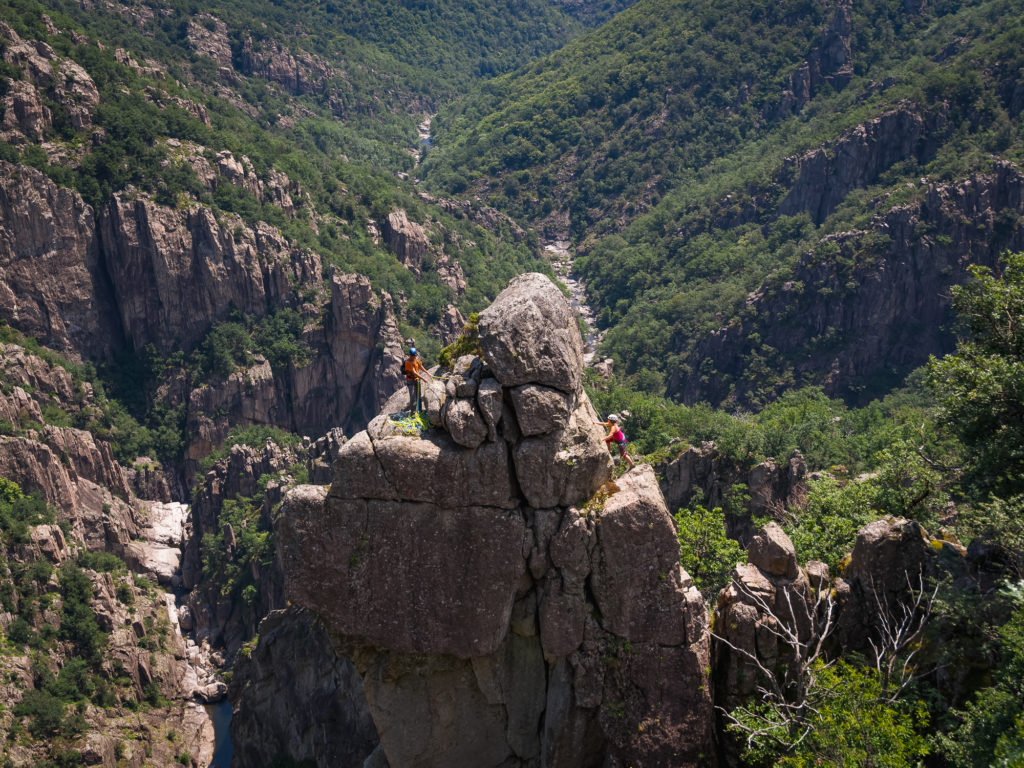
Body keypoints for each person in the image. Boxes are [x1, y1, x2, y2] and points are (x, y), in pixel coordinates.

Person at [403, 347, 433, 414]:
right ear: (410, 355)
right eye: (413, 356)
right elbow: (414, 372)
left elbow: (421, 366)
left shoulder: (416, 360)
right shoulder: (407, 362)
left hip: (417, 380)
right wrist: (423, 378)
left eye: (414, 356)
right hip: (411, 381)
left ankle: (420, 411)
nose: (414, 357)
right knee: (413, 397)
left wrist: (427, 373)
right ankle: (413, 413)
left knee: (418, 395)